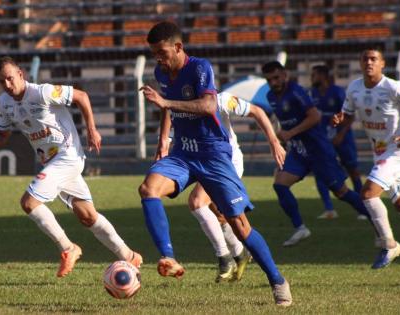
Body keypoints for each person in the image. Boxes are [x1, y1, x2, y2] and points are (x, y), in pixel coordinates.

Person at [139, 21, 292, 306]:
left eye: (162, 52)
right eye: (154, 54)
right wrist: (163, 139)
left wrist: (165, 103)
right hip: (183, 152)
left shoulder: (199, 67)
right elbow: (167, 106)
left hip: (214, 156)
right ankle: (167, 256)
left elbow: (208, 106)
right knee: (148, 189)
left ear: (178, 47)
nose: (158, 59)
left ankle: (277, 280)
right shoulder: (162, 71)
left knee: (239, 226)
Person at [0, 56, 142, 277]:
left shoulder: (42, 92)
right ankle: (129, 256)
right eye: (2, 81)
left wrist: (92, 129)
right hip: (52, 162)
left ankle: (68, 248)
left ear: (21, 74)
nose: (7, 85)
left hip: (68, 156)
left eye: (10, 78)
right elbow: (3, 135)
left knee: (29, 202)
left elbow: (82, 96)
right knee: (87, 216)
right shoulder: (4, 102)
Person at [170, 92, 285, 282]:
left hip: (228, 163)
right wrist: (165, 146)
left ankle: (224, 258)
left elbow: (256, 111)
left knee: (197, 202)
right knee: (218, 212)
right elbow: (173, 133)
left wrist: (274, 141)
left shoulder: (222, 100)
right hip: (204, 162)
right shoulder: (182, 107)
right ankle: (240, 253)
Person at [262, 61, 371, 247]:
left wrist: (290, 133)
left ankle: (376, 219)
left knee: (342, 192)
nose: (274, 82)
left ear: (285, 75)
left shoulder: (296, 90)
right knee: (280, 184)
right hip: (299, 151)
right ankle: (300, 228)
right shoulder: (271, 96)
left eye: (276, 77)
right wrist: (281, 138)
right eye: (269, 79)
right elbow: (286, 124)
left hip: (319, 150)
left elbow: (315, 117)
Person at [332, 47, 400, 269]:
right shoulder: (354, 88)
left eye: (374, 59)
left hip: (397, 152)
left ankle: (388, 244)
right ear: (360, 63)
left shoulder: (393, 87)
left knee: (368, 194)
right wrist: (340, 121)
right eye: (365, 59)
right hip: (379, 152)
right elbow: (348, 113)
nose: (369, 62)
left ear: (382, 64)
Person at [309, 65, 366, 220]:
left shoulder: (338, 92)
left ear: (322, 75)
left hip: (343, 139)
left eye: (314, 75)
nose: (311, 78)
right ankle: (329, 209)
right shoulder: (312, 94)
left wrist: (341, 134)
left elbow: (350, 115)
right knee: (320, 172)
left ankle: (363, 208)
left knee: (352, 170)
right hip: (323, 140)